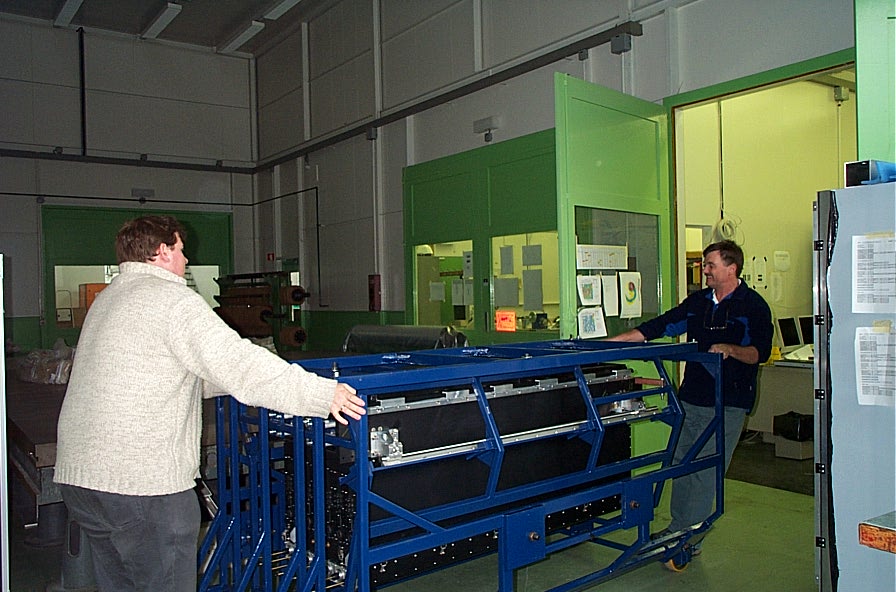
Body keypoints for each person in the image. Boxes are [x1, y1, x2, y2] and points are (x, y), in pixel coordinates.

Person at [54, 215, 366, 592]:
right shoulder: (172, 300)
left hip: (83, 482)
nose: (187, 260)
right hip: (140, 485)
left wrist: (232, 383)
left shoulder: (109, 299)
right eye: (182, 250)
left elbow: (164, 372)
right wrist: (321, 395)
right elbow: (240, 364)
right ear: (162, 251)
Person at [608, 240, 772, 557]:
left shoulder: (753, 306)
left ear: (731, 268)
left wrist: (730, 349)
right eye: (704, 265)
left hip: (728, 402)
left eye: (710, 265)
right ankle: (679, 527)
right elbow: (658, 327)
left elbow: (759, 353)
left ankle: (688, 537)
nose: (705, 270)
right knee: (681, 463)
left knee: (703, 470)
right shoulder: (699, 302)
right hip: (692, 398)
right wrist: (607, 345)